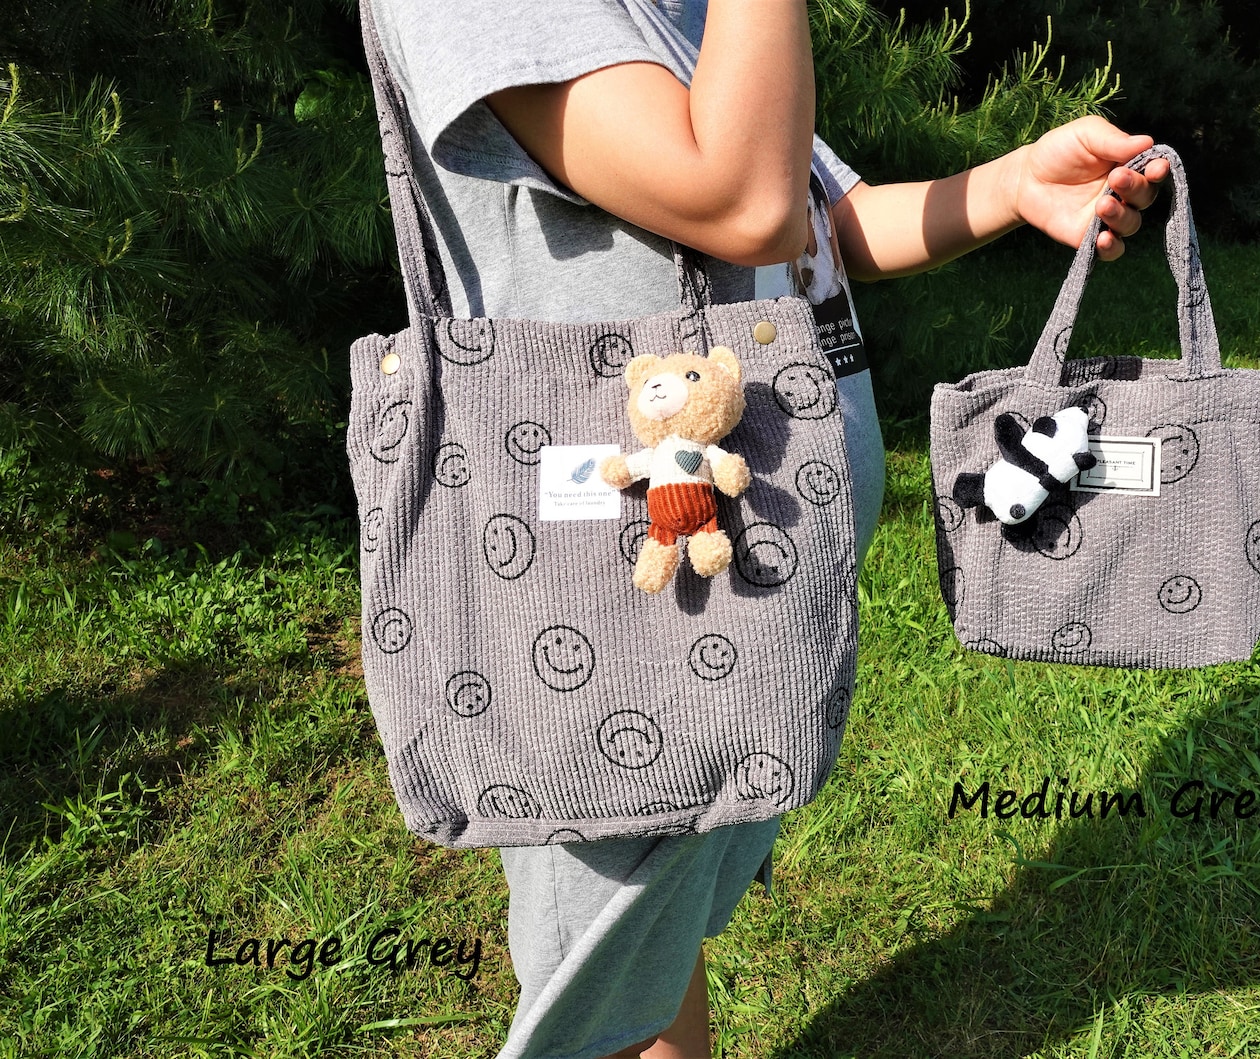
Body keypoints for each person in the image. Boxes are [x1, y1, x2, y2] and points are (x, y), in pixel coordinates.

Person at [364, 2, 1168, 1056]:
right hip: (599, 595)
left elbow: (816, 225)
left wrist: (1012, 182)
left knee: (652, 937)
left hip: (734, 588)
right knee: (598, 977)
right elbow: (740, 200)